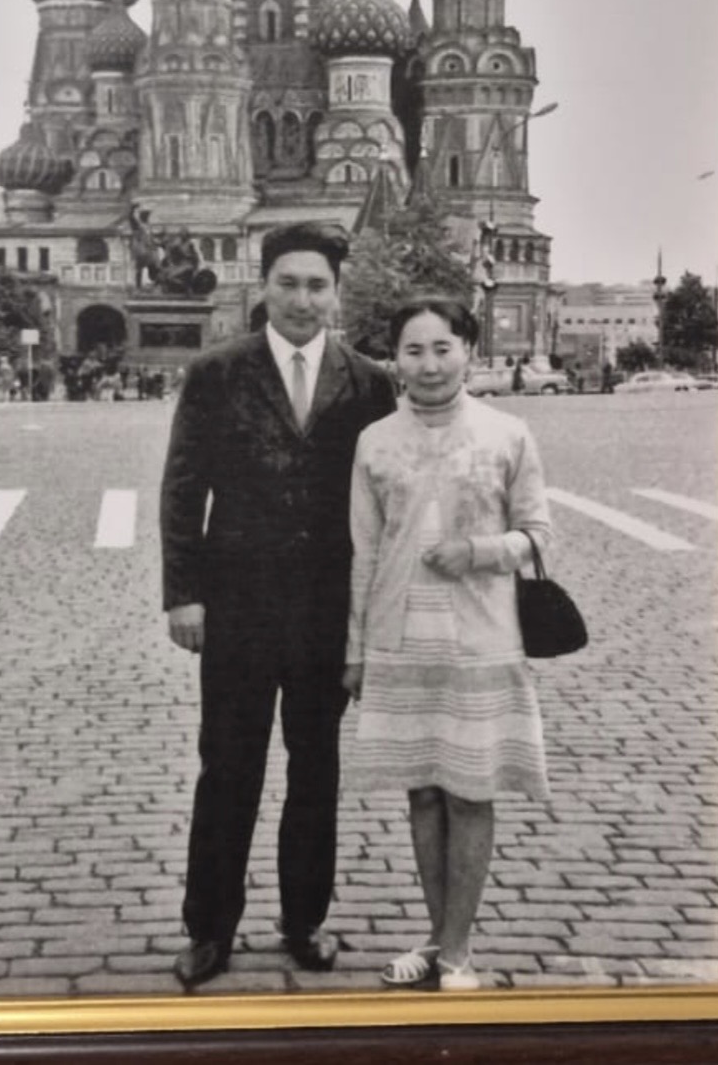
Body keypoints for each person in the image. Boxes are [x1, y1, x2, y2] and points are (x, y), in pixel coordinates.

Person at [160, 221, 396, 990]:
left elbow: (383, 501)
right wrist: (184, 595)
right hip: (237, 606)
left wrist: (373, 618)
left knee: (315, 768)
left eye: (317, 285)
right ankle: (209, 928)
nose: (302, 299)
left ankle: (304, 920)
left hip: (327, 610)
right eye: (288, 283)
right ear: (263, 287)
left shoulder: (368, 382)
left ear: (336, 292)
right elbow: (183, 488)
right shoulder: (218, 372)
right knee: (228, 767)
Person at [343, 296, 552, 992]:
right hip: (401, 642)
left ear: (468, 350)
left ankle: (459, 952)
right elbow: (364, 551)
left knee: (470, 793)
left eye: (443, 348)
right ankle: (438, 938)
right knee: (424, 795)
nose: (429, 365)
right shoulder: (374, 441)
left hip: (481, 638)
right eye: (413, 350)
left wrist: (479, 551)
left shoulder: (507, 433)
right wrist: (357, 649)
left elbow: (537, 535)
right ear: (394, 360)